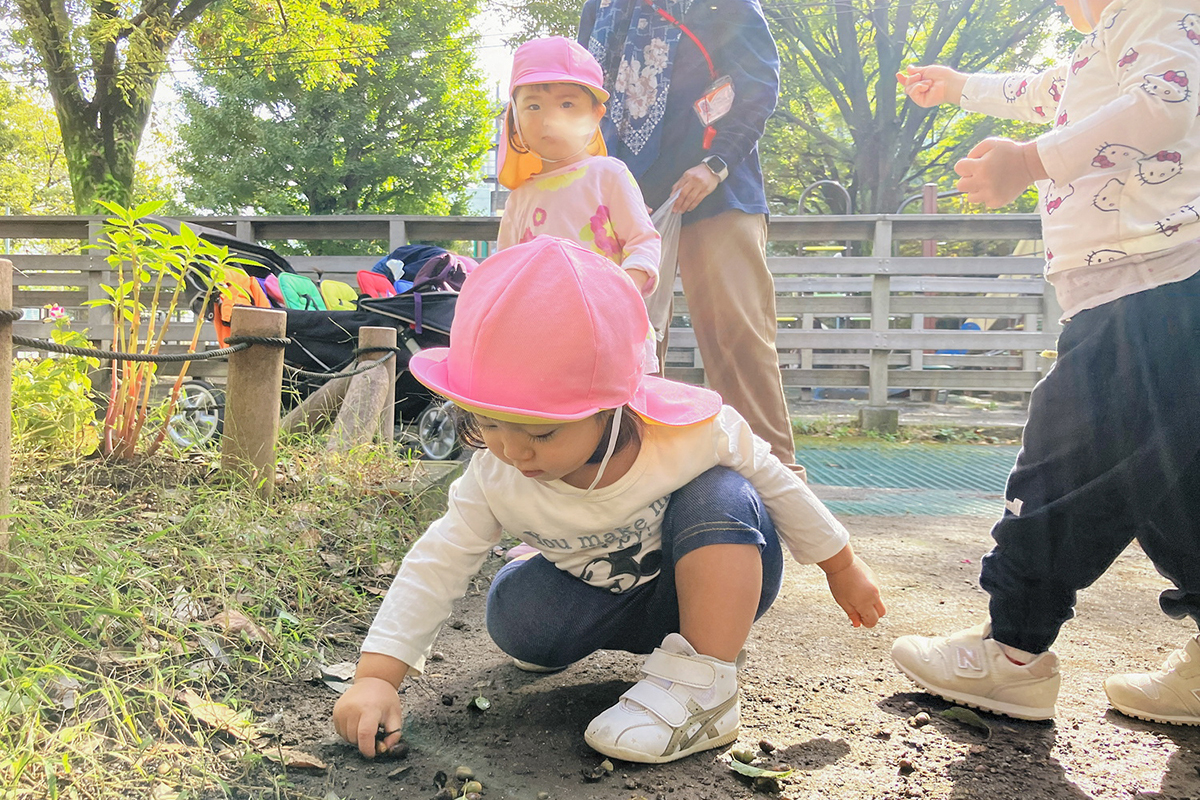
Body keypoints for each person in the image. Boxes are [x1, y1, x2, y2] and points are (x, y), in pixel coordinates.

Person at [332, 236, 886, 764]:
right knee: (513, 613)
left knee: (723, 491)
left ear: (612, 406)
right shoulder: (494, 474)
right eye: (489, 424)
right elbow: (438, 561)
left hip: (701, 585)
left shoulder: (691, 434)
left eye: (542, 432)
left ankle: (705, 680)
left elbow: (778, 482)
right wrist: (376, 677)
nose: (513, 451)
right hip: (597, 599)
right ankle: (560, 583)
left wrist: (841, 565)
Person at [891, 0, 1200, 725]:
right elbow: (1043, 90)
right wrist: (960, 86)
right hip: (1154, 289)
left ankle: (1013, 653)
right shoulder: (1111, 39)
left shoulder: (1162, 11)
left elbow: (1163, 105)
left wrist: (1029, 161)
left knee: (1067, 463)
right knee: (1175, 486)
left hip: (1148, 286)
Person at [578, 0, 797, 465]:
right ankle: (634, 476)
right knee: (626, 345)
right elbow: (581, 96)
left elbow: (757, 84)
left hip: (716, 189)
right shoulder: (601, 7)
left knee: (737, 338)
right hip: (622, 199)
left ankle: (776, 479)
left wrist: (716, 165)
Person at [497, 36, 659, 297]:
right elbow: (505, 273)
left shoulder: (608, 176)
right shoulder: (519, 200)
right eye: (534, 106)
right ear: (515, 119)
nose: (550, 119)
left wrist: (624, 291)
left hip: (606, 316)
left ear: (596, 114)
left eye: (567, 104)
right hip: (541, 321)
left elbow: (643, 242)